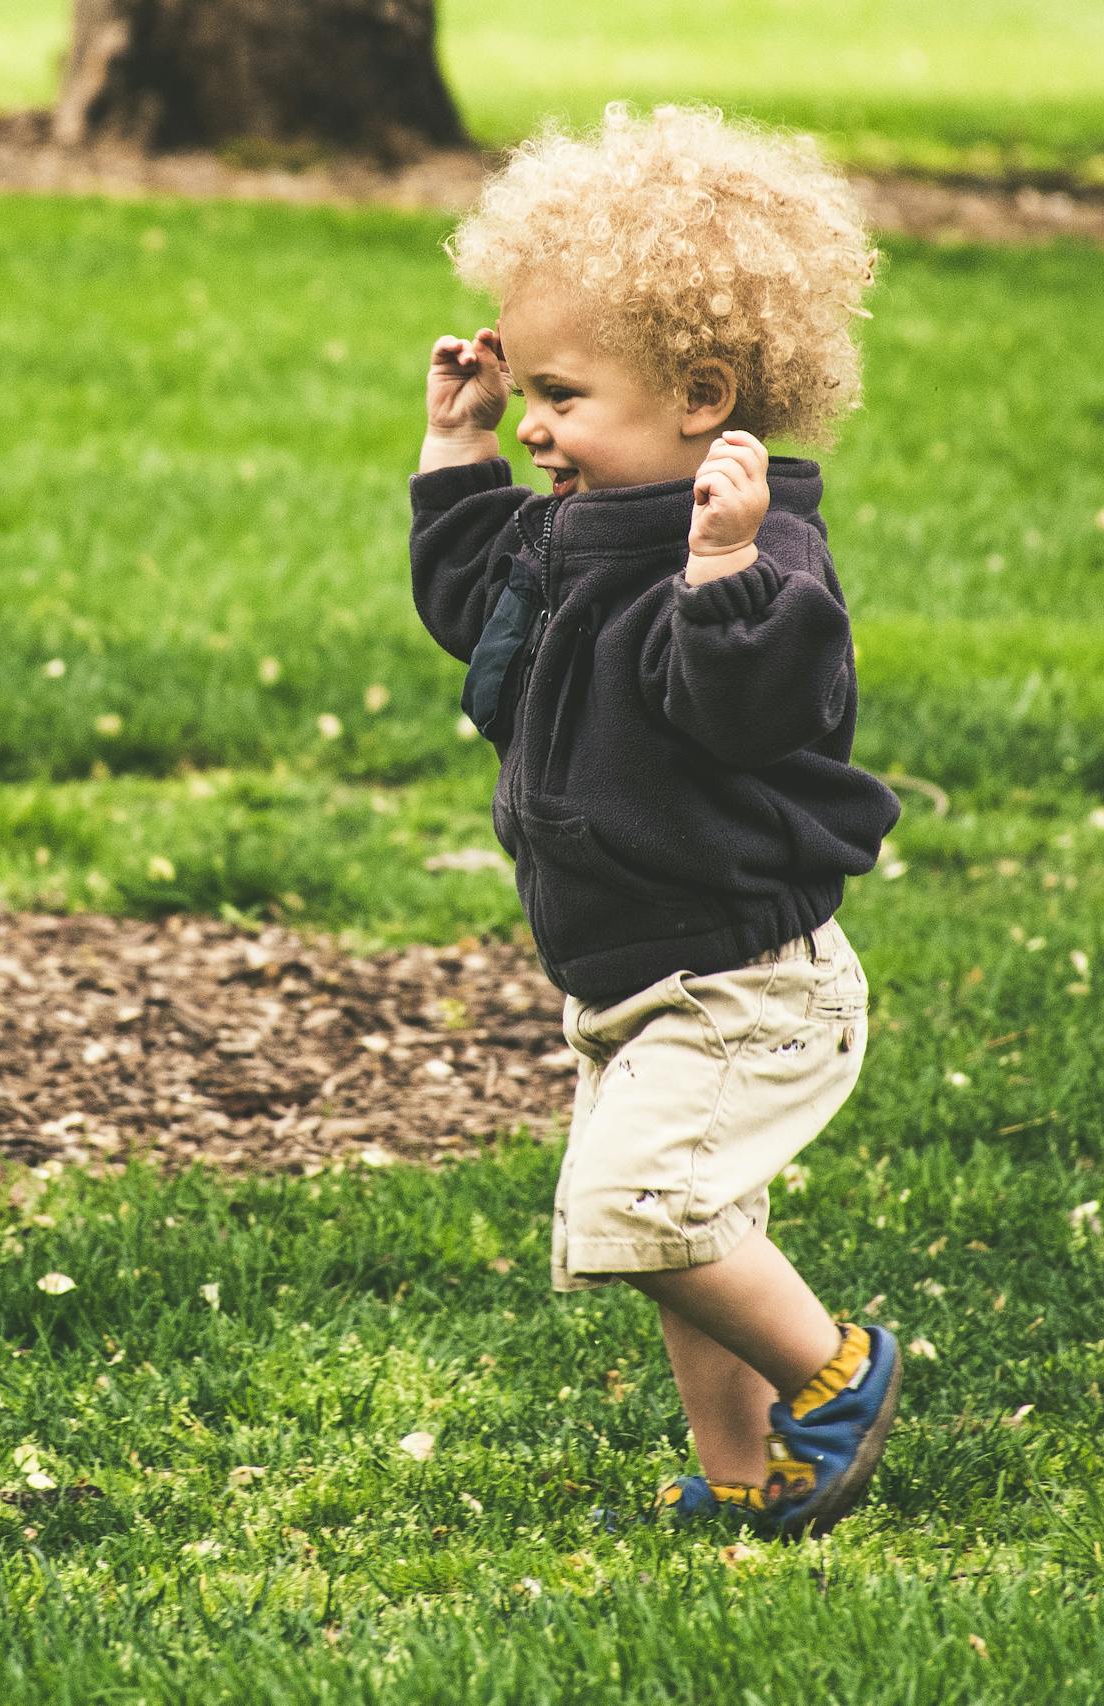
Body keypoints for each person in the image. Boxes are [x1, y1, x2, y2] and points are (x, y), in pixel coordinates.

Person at [408, 103, 905, 1539]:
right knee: (686, 1231)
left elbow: (756, 712)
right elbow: (465, 611)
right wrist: (459, 452)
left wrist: (725, 574)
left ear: (700, 392)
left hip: (742, 979)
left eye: (559, 393)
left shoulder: (757, 548)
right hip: (630, 972)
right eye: (525, 390)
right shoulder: (562, 525)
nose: (539, 425)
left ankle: (841, 1367)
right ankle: (749, 1476)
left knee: (643, 1208)